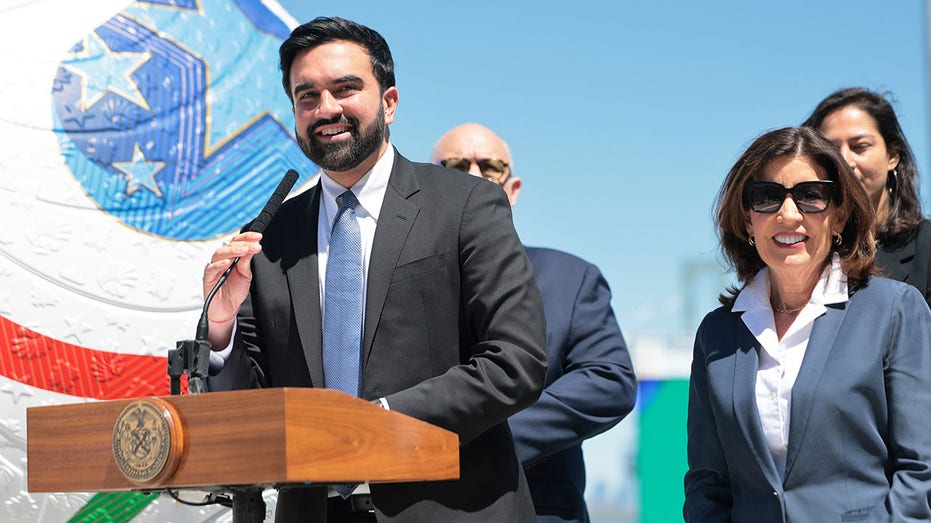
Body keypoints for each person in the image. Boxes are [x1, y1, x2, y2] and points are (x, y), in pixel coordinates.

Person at [203, 17, 547, 523]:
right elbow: (247, 407)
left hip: (449, 508)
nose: (327, 109)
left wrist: (375, 423)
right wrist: (221, 329)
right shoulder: (270, 238)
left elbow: (515, 362)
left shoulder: (466, 205)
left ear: (389, 102)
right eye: (307, 97)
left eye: (345, 89)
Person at [683, 126, 931, 522]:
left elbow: (921, 469)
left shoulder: (895, 311)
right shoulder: (716, 333)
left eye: (810, 196)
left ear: (838, 217)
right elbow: (708, 481)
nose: (788, 214)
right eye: (766, 197)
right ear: (747, 220)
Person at [430, 123, 638, 523]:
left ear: (513, 188)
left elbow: (609, 379)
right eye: (456, 167)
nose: (474, 178)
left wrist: (487, 440)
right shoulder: (395, 283)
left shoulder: (570, 278)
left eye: (490, 167)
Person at [803, 87, 931, 306]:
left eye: (859, 147)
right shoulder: (799, 247)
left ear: (892, 156)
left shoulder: (925, 247)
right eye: (831, 150)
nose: (845, 161)